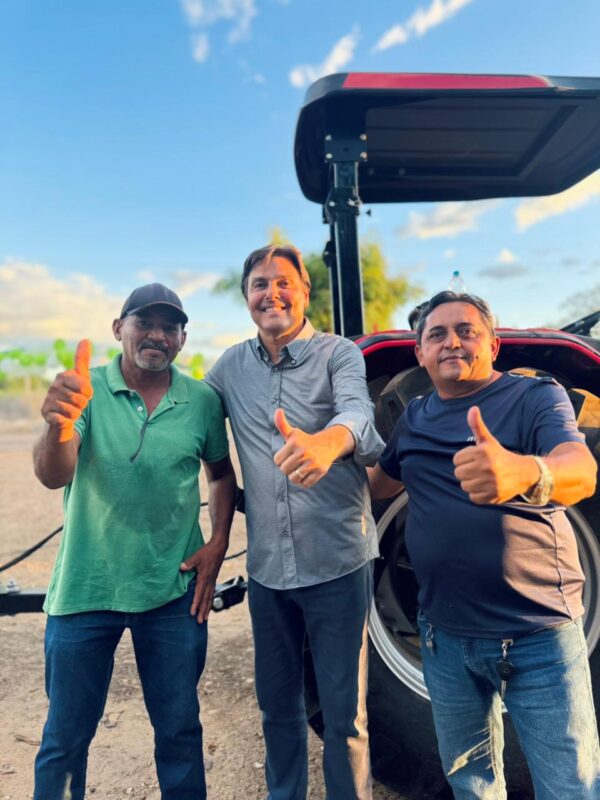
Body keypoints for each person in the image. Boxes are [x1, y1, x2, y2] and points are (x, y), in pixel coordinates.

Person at [369, 290, 600, 799]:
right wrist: (320, 460)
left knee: (570, 786)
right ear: (420, 354)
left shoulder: (535, 398)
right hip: (443, 640)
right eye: (437, 334)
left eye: (466, 331)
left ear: (493, 345)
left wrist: (527, 472)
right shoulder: (414, 416)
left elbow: (581, 471)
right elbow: (379, 486)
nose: (451, 342)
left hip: (538, 638)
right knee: (472, 785)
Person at [33, 283, 236, 800]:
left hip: (172, 593)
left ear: (182, 338)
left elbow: (219, 474)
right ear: (118, 328)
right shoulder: (88, 390)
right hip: (85, 590)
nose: (157, 335)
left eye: (170, 327)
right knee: (65, 738)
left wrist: (218, 541)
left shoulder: (202, 401)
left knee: (179, 731)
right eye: (144, 322)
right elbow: (54, 474)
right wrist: (58, 426)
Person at [204, 244, 384, 800]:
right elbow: (188, 416)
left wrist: (329, 441)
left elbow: (358, 413)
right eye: (259, 284)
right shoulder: (229, 367)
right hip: (269, 572)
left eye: (283, 282)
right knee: (276, 708)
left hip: (338, 563)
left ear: (305, 290)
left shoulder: (338, 354)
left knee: (345, 716)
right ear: (246, 297)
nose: (272, 293)